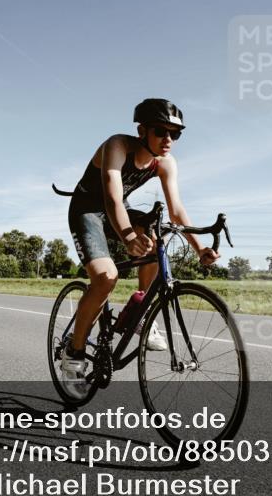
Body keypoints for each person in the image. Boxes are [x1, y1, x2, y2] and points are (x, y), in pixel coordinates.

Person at [55, 98, 220, 379]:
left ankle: (142, 312)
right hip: (89, 211)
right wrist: (129, 236)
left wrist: (199, 248)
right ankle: (75, 350)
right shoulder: (117, 146)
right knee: (106, 277)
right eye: (161, 131)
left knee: (157, 240)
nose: (168, 139)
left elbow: (177, 209)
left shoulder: (165, 163)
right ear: (142, 130)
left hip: (118, 211)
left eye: (175, 134)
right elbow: (112, 199)